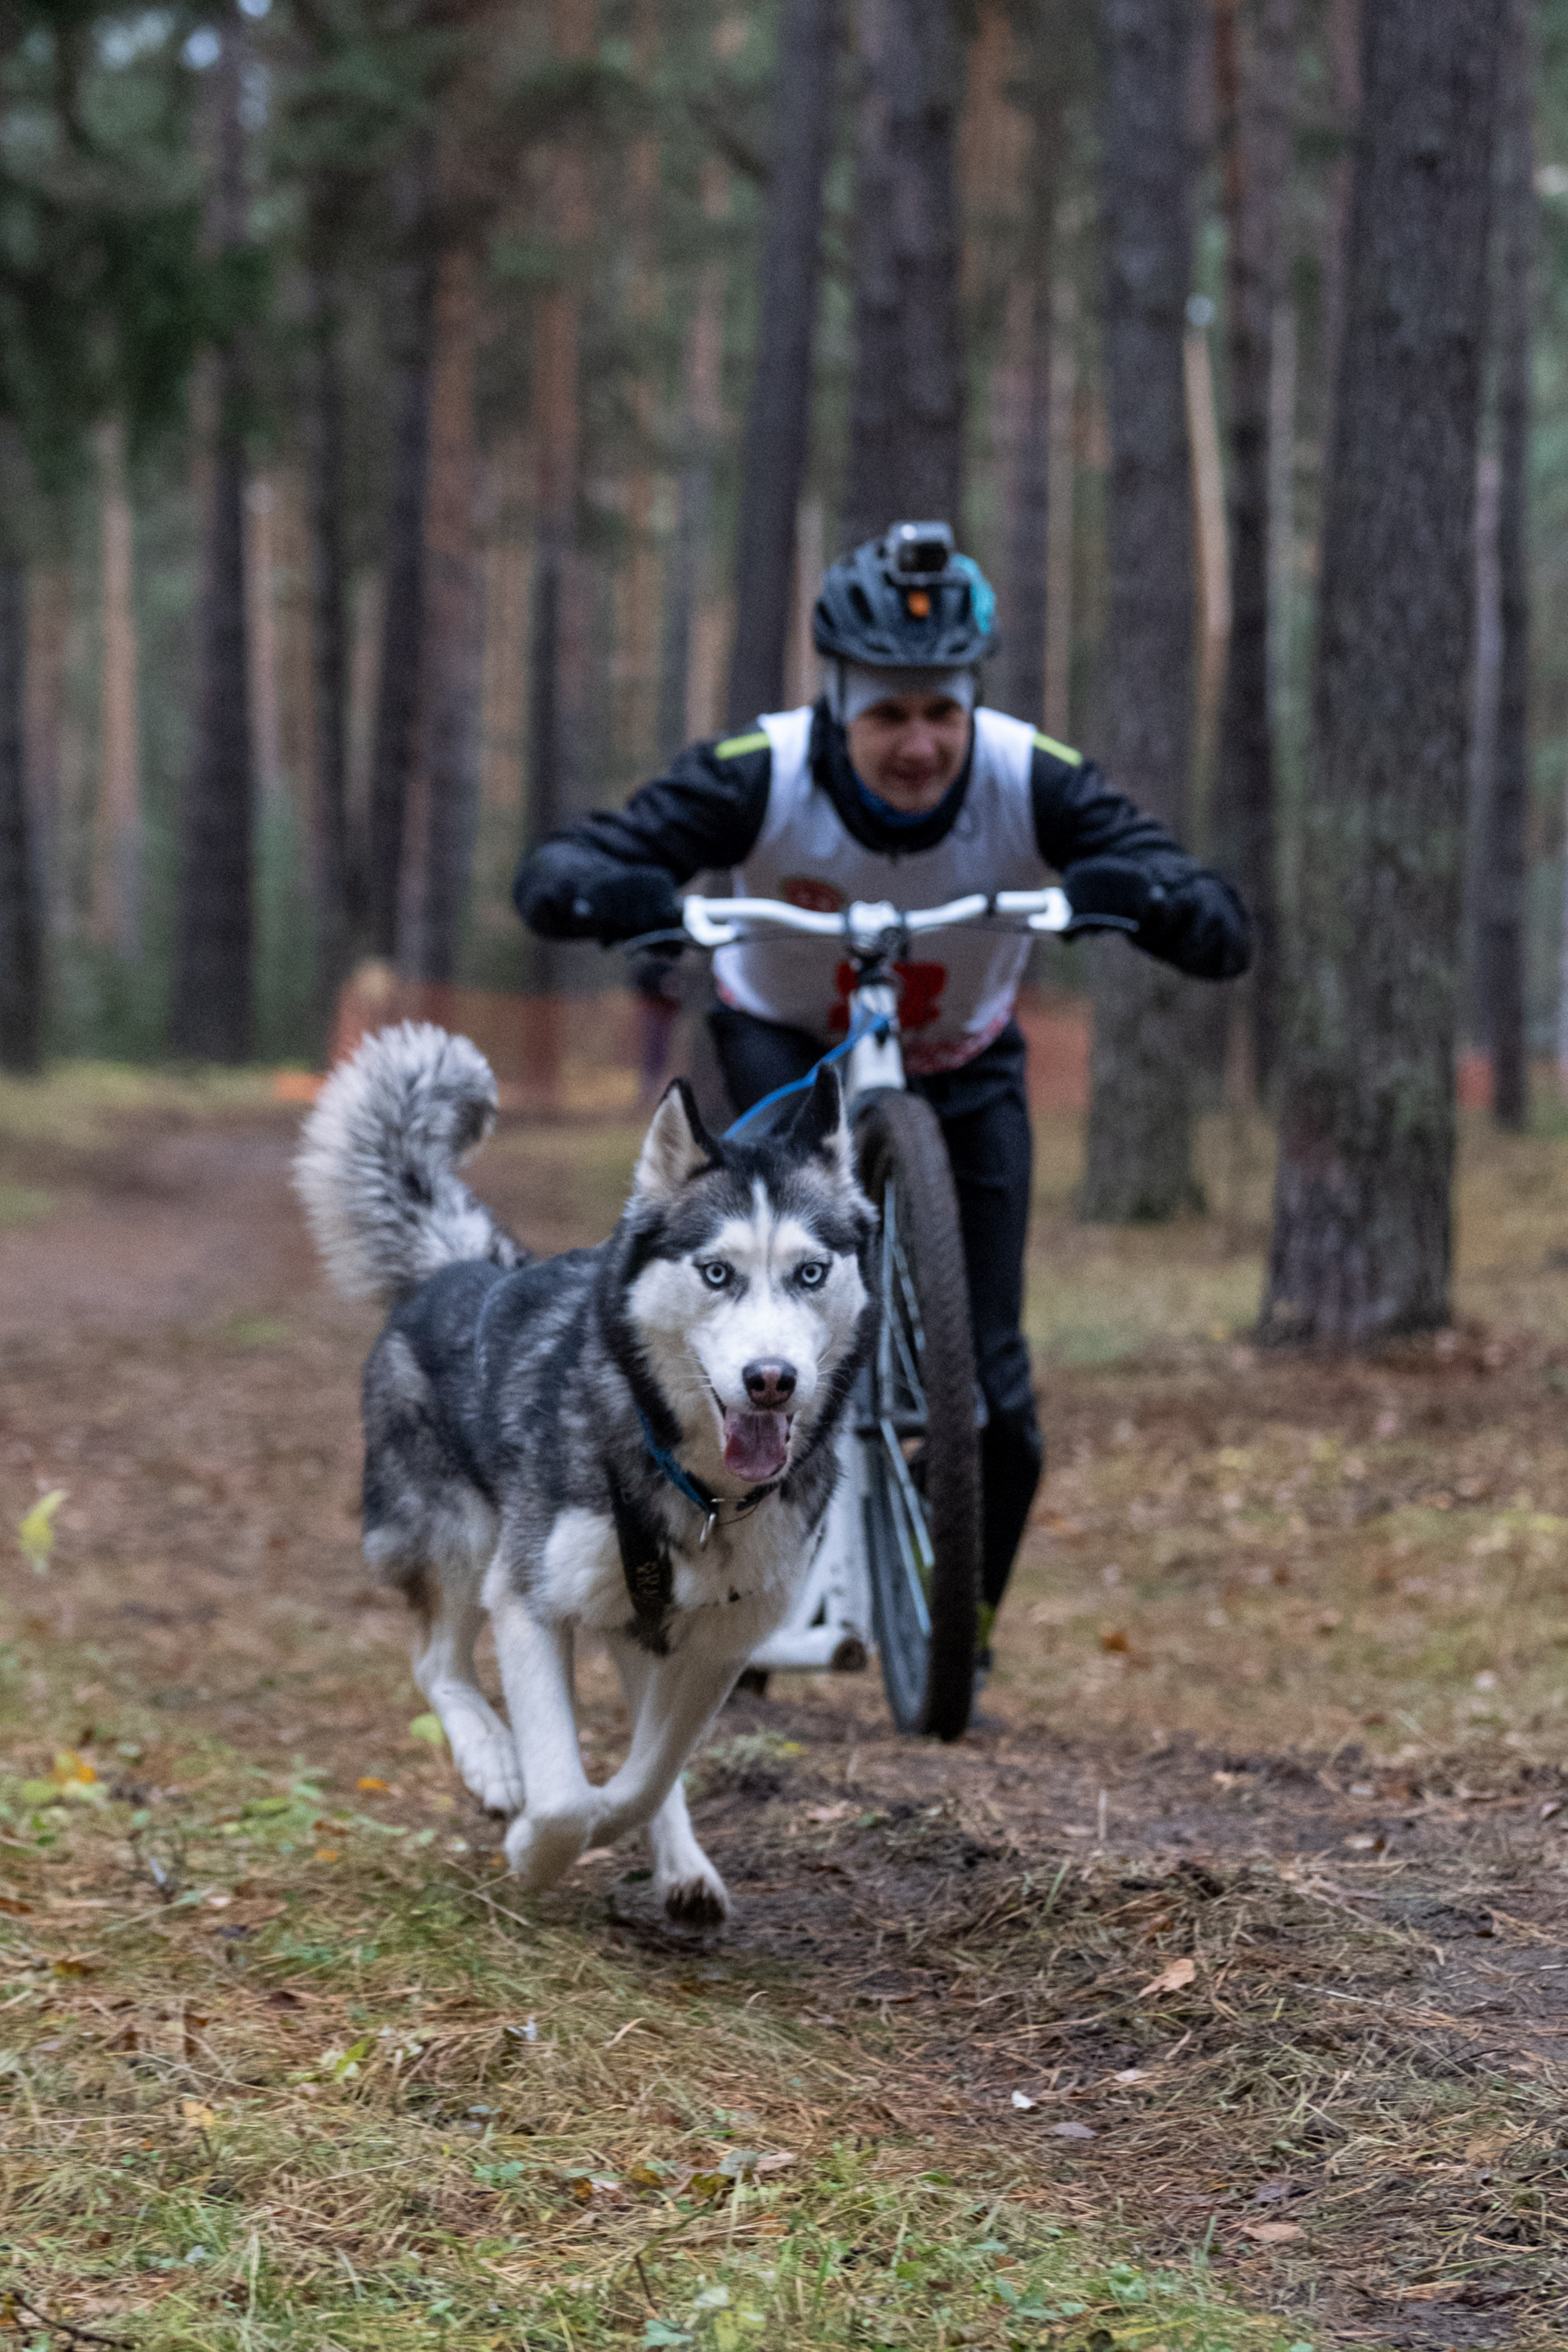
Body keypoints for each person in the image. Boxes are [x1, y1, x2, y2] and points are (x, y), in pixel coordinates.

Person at [514, 521, 1250, 1653]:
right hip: (780, 1051)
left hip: (962, 1068)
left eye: (941, 712)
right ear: (836, 709)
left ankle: (963, 1623)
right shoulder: (759, 772)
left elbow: (1193, 898)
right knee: (731, 1331)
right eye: (889, 715)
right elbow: (581, 858)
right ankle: (713, 1596)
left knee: (996, 1398)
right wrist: (600, 891)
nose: (919, 745)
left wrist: (1163, 901)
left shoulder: (1025, 773)